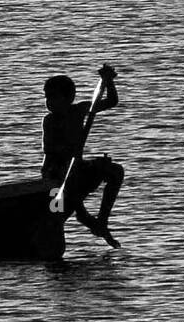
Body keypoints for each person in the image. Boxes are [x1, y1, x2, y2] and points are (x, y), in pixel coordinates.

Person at [42, 64, 125, 247]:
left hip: (77, 168)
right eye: (47, 98)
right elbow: (52, 152)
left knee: (116, 171)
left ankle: (102, 220)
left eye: (54, 97)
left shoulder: (79, 110)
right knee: (61, 207)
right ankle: (84, 216)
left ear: (68, 98)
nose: (49, 102)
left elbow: (111, 101)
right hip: (56, 173)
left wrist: (108, 81)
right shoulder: (49, 121)